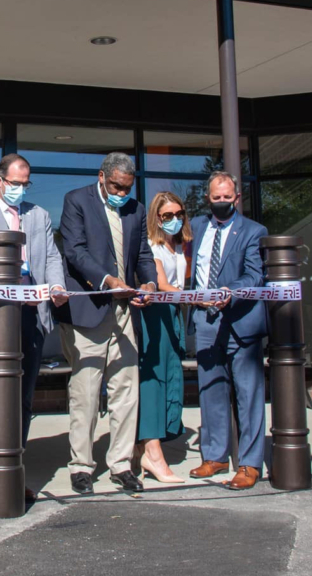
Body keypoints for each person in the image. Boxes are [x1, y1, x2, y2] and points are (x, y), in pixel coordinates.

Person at [0, 153, 69, 506]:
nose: (20, 190)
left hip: (31, 316)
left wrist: (55, 287)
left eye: (25, 184)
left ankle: (11, 470)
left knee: (23, 398)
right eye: (14, 184)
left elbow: (51, 257)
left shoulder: (39, 215)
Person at [58, 152, 157, 495]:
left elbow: (143, 254)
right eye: (116, 185)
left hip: (125, 311)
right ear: (102, 177)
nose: (121, 192)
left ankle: (121, 465)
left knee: (126, 391)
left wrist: (149, 284)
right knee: (85, 392)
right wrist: (107, 280)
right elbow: (75, 251)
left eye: (127, 187)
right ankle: (81, 466)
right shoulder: (76, 201)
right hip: (90, 309)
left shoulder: (136, 209)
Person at [188, 170, 269, 491]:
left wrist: (229, 292)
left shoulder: (253, 231)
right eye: (215, 197)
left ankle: (249, 464)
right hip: (205, 321)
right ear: (208, 198)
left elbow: (254, 276)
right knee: (210, 393)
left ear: (237, 197)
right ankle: (215, 456)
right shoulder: (195, 227)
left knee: (248, 395)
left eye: (227, 197)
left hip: (241, 321)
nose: (222, 202)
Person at [134, 191, 191, 484]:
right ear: (156, 218)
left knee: (171, 376)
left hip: (173, 315)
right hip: (154, 315)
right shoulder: (152, 246)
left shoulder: (178, 246)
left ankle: (146, 450)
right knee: (153, 381)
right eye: (167, 216)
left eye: (178, 214)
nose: (174, 220)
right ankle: (152, 451)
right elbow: (164, 284)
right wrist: (196, 297)